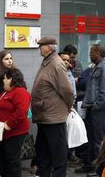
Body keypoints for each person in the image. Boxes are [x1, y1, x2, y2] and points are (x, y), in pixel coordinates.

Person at [31, 36, 74, 177]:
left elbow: (67, 90)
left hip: (53, 117)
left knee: (58, 155)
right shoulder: (48, 62)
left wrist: (68, 106)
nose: (39, 48)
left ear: (49, 47)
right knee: (44, 153)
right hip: (45, 116)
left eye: (41, 45)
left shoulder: (56, 63)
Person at [0, 68, 31, 177]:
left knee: (12, 161)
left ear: (11, 79)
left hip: (13, 133)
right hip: (1, 133)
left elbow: (21, 112)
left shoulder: (21, 92)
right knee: (2, 160)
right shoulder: (5, 92)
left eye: (5, 79)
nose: (3, 81)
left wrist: (8, 125)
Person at [75, 45, 105, 174]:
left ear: (98, 53)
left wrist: (96, 107)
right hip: (92, 109)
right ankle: (90, 165)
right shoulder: (96, 67)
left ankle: (100, 170)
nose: (90, 55)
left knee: (99, 141)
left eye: (91, 52)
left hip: (99, 110)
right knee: (91, 140)